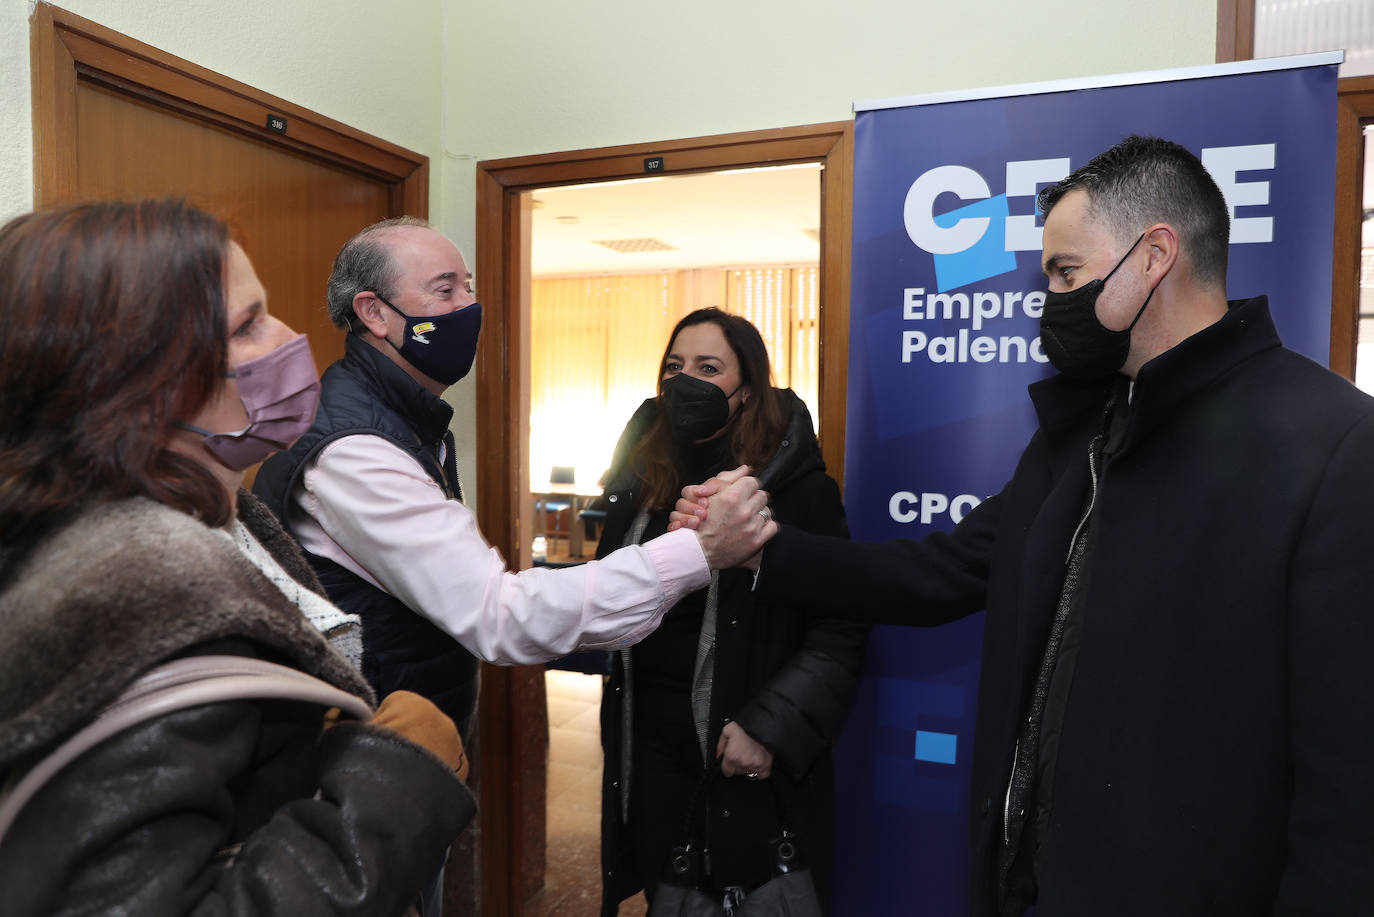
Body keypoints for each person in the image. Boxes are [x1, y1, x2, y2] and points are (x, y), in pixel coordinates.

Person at [675, 136, 1374, 915]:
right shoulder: (1082, 435)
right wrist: (761, 550)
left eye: (1066, 272)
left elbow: (1349, 793)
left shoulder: (1335, 446)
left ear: (1154, 256)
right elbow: (940, 570)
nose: (1050, 297)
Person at [0, 199, 474, 916]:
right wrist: (394, 784)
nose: (289, 339)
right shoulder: (139, 602)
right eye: (248, 325)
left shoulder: (216, 519)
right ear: (137, 382)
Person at [251, 217, 775, 723]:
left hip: (409, 735)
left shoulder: (405, 419)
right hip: (376, 743)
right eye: (445, 289)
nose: (469, 306)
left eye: (468, 287)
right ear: (374, 313)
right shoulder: (357, 449)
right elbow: (498, 616)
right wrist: (698, 551)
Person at [595, 309, 868, 915]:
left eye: (708, 368)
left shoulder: (799, 491)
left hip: (742, 750)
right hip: (652, 746)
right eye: (674, 366)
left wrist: (771, 726)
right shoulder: (638, 482)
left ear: (747, 392)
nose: (683, 381)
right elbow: (610, 595)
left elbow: (842, 623)